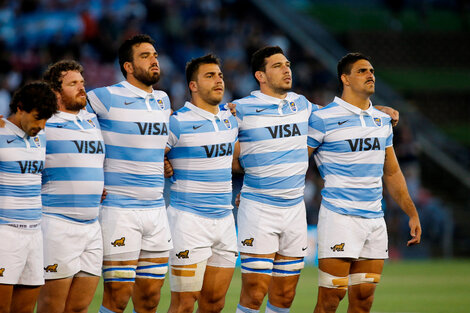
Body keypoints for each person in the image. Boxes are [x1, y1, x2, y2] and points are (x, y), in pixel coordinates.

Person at [232, 46, 399, 313]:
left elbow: (342, 114)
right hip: (259, 209)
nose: (287, 69)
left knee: (285, 295)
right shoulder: (239, 109)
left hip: (294, 210)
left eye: (287, 64)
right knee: (254, 292)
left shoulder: (303, 105)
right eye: (277, 66)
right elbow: (217, 145)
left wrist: (377, 109)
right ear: (260, 76)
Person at [308, 52, 421, 313]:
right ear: (345, 79)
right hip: (339, 217)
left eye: (371, 71)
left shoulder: (382, 121)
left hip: (374, 220)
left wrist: (411, 212)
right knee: (330, 300)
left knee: (364, 300)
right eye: (362, 71)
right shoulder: (322, 118)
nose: (370, 75)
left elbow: (392, 173)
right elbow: (299, 162)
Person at [87, 34, 173, 313]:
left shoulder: (162, 100)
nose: (154, 60)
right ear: (128, 66)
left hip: (157, 209)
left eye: (155, 55)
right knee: (118, 296)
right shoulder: (106, 97)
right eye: (145, 56)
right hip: (119, 209)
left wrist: (164, 159)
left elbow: (156, 143)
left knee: (149, 298)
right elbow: (65, 113)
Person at [165, 54, 239, 313]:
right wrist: (164, 164)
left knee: (214, 304)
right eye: (210, 76)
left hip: (225, 220)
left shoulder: (231, 118)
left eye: (219, 75)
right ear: (193, 86)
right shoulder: (177, 122)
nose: (218, 80)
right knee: (184, 303)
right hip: (188, 221)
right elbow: (150, 154)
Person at [37, 60, 105, 313]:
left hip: (92, 226)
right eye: (73, 83)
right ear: (56, 91)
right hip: (57, 224)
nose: (81, 88)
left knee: (78, 308)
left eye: (82, 83)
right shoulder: (43, 123)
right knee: (51, 307)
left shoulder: (92, 120)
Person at [0, 82, 57, 313]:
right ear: (20, 108)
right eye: (37, 118)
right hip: (5, 232)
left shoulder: (39, 138)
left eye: (45, 120)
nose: (41, 126)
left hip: (35, 233)